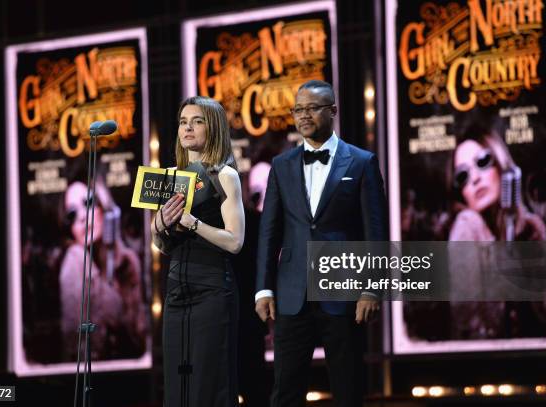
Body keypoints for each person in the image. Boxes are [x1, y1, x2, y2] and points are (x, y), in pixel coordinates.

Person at [255, 80, 388, 407]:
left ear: (332, 111)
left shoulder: (361, 162)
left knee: (348, 388)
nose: (303, 115)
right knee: (285, 390)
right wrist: (264, 288)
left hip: (344, 293)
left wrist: (371, 289)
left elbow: (376, 233)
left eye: (312, 108)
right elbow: (269, 232)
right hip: (292, 294)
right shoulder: (281, 165)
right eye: (298, 109)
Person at [151, 96, 245, 407]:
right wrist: (159, 226)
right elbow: (162, 246)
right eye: (182, 122)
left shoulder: (224, 175)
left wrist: (192, 224)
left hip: (212, 290)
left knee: (210, 386)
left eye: (197, 121)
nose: (187, 128)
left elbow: (235, 241)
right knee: (178, 387)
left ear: (213, 127)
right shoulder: (170, 177)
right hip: (178, 291)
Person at [447, 124, 546, 339]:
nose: (475, 178)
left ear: (501, 162)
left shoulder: (531, 230)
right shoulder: (466, 227)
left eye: (483, 161)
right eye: (462, 176)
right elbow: (466, 320)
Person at [59, 178, 146, 361]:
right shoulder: (74, 262)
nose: (83, 217)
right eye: (72, 214)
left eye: (88, 203)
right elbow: (77, 344)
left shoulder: (128, 262)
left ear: (104, 207)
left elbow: (141, 335)